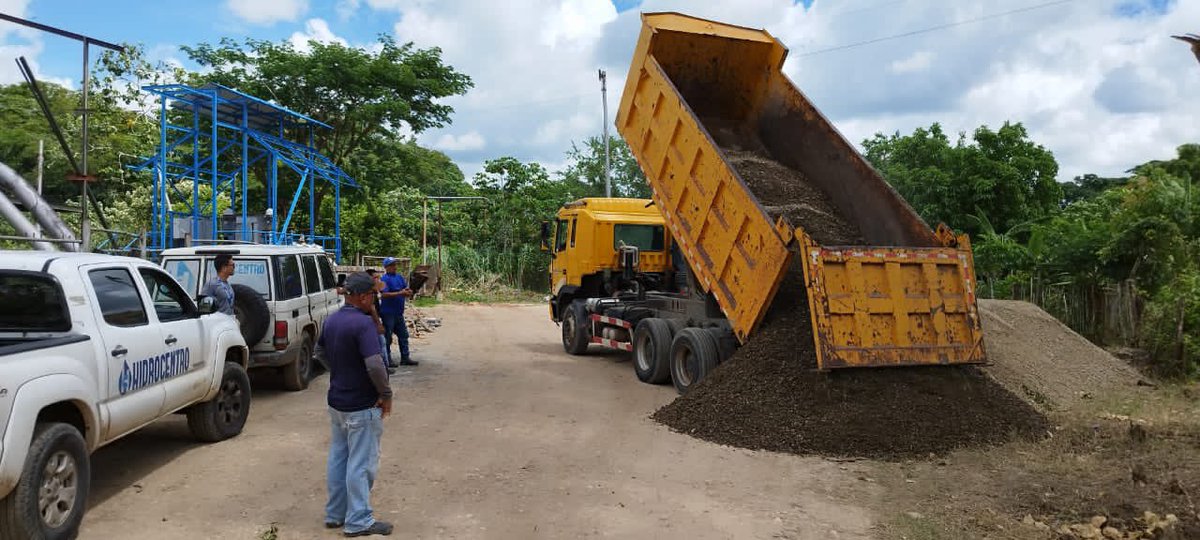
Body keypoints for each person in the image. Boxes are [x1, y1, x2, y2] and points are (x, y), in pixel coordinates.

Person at [316, 272, 394, 537]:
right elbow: (374, 364)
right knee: (361, 464)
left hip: (337, 403)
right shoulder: (363, 325)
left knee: (339, 458)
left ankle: (335, 514)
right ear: (362, 297)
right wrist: (385, 393)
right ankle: (359, 520)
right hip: (361, 405)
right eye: (373, 294)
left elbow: (319, 352)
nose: (375, 298)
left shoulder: (333, 320)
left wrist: (340, 371)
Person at [378, 257, 416, 367]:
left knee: (403, 335)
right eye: (392, 265)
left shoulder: (399, 277)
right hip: (388, 312)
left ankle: (405, 357)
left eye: (395, 264)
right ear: (386, 267)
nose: (395, 267)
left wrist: (409, 291)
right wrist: (400, 293)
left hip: (398, 312)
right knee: (388, 337)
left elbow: (405, 288)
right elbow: (384, 294)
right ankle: (388, 359)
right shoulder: (384, 279)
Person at [365, 269, 391, 372]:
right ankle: (384, 367)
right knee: (381, 344)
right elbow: (372, 309)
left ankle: (385, 367)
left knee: (381, 344)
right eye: (375, 278)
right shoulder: (369, 292)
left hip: (372, 321)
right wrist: (378, 324)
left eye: (378, 277)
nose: (377, 280)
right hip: (371, 322)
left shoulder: (374, 291)